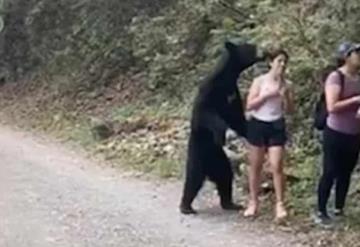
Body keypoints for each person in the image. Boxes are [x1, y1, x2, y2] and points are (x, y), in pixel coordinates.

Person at [243, 48, 294, 220]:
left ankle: (280, 204)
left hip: (276, 125)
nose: (282, 65)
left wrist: (286, 97)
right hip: (258, 124)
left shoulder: (286, 84)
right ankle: (253, 202)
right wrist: (266, 96)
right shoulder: (260, 81)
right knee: (256, 165)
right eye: (279, 61)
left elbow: (290, 110)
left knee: (277, 164)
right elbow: (249, 105)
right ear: (271, 62)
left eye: (285, 62)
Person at [315, 42, 360, 226]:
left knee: (346, 172)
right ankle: (320, 210)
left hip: (355, 132)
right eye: (356, 52)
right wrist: (356, 100)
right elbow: (332, 106)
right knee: (330, 171)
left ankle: (339, 208)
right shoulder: (336, 77)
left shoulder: (358, 78)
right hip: (335, 132)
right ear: (346, 56)